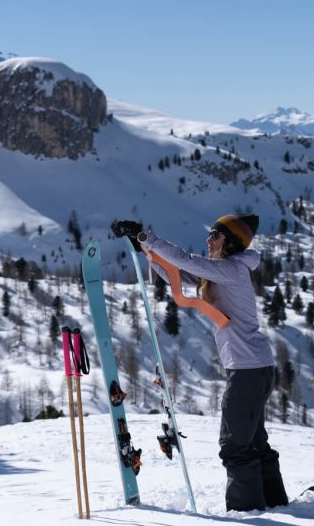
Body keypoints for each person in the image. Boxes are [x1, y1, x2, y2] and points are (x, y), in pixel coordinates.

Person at [112, 214, 288, 512]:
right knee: (254, 441)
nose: (208, 240)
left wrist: (147, 237)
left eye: (215, 236)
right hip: (255, 368)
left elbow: (187, 261)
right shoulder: (225, 271)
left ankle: (247, 512)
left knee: (235, 445)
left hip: (248, 371)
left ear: (230, 243)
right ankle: (275, 504)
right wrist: (145, 250)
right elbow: (177, 275)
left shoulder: (231, 268)